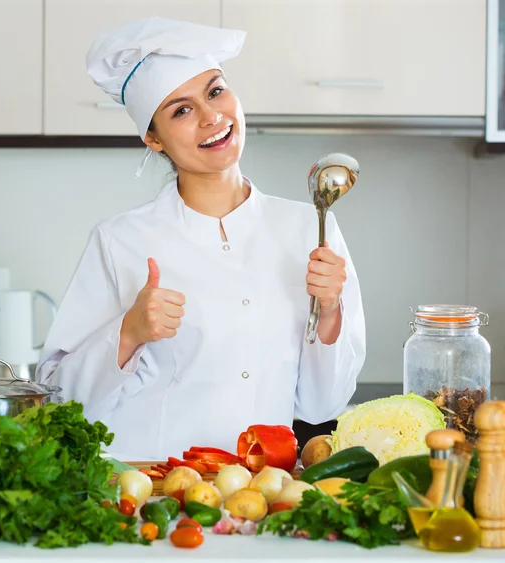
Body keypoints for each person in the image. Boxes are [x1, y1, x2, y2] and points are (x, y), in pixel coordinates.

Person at [37, 17, 366, 460]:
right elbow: (60, 401)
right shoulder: (120, 241)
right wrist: (129, 332)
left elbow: (323, 404)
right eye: (181, 110)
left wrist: (329, 314)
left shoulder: (311, 227)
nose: (212, 117)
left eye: (215, 91)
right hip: (151, 492)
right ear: (153, 138)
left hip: (261, 490)